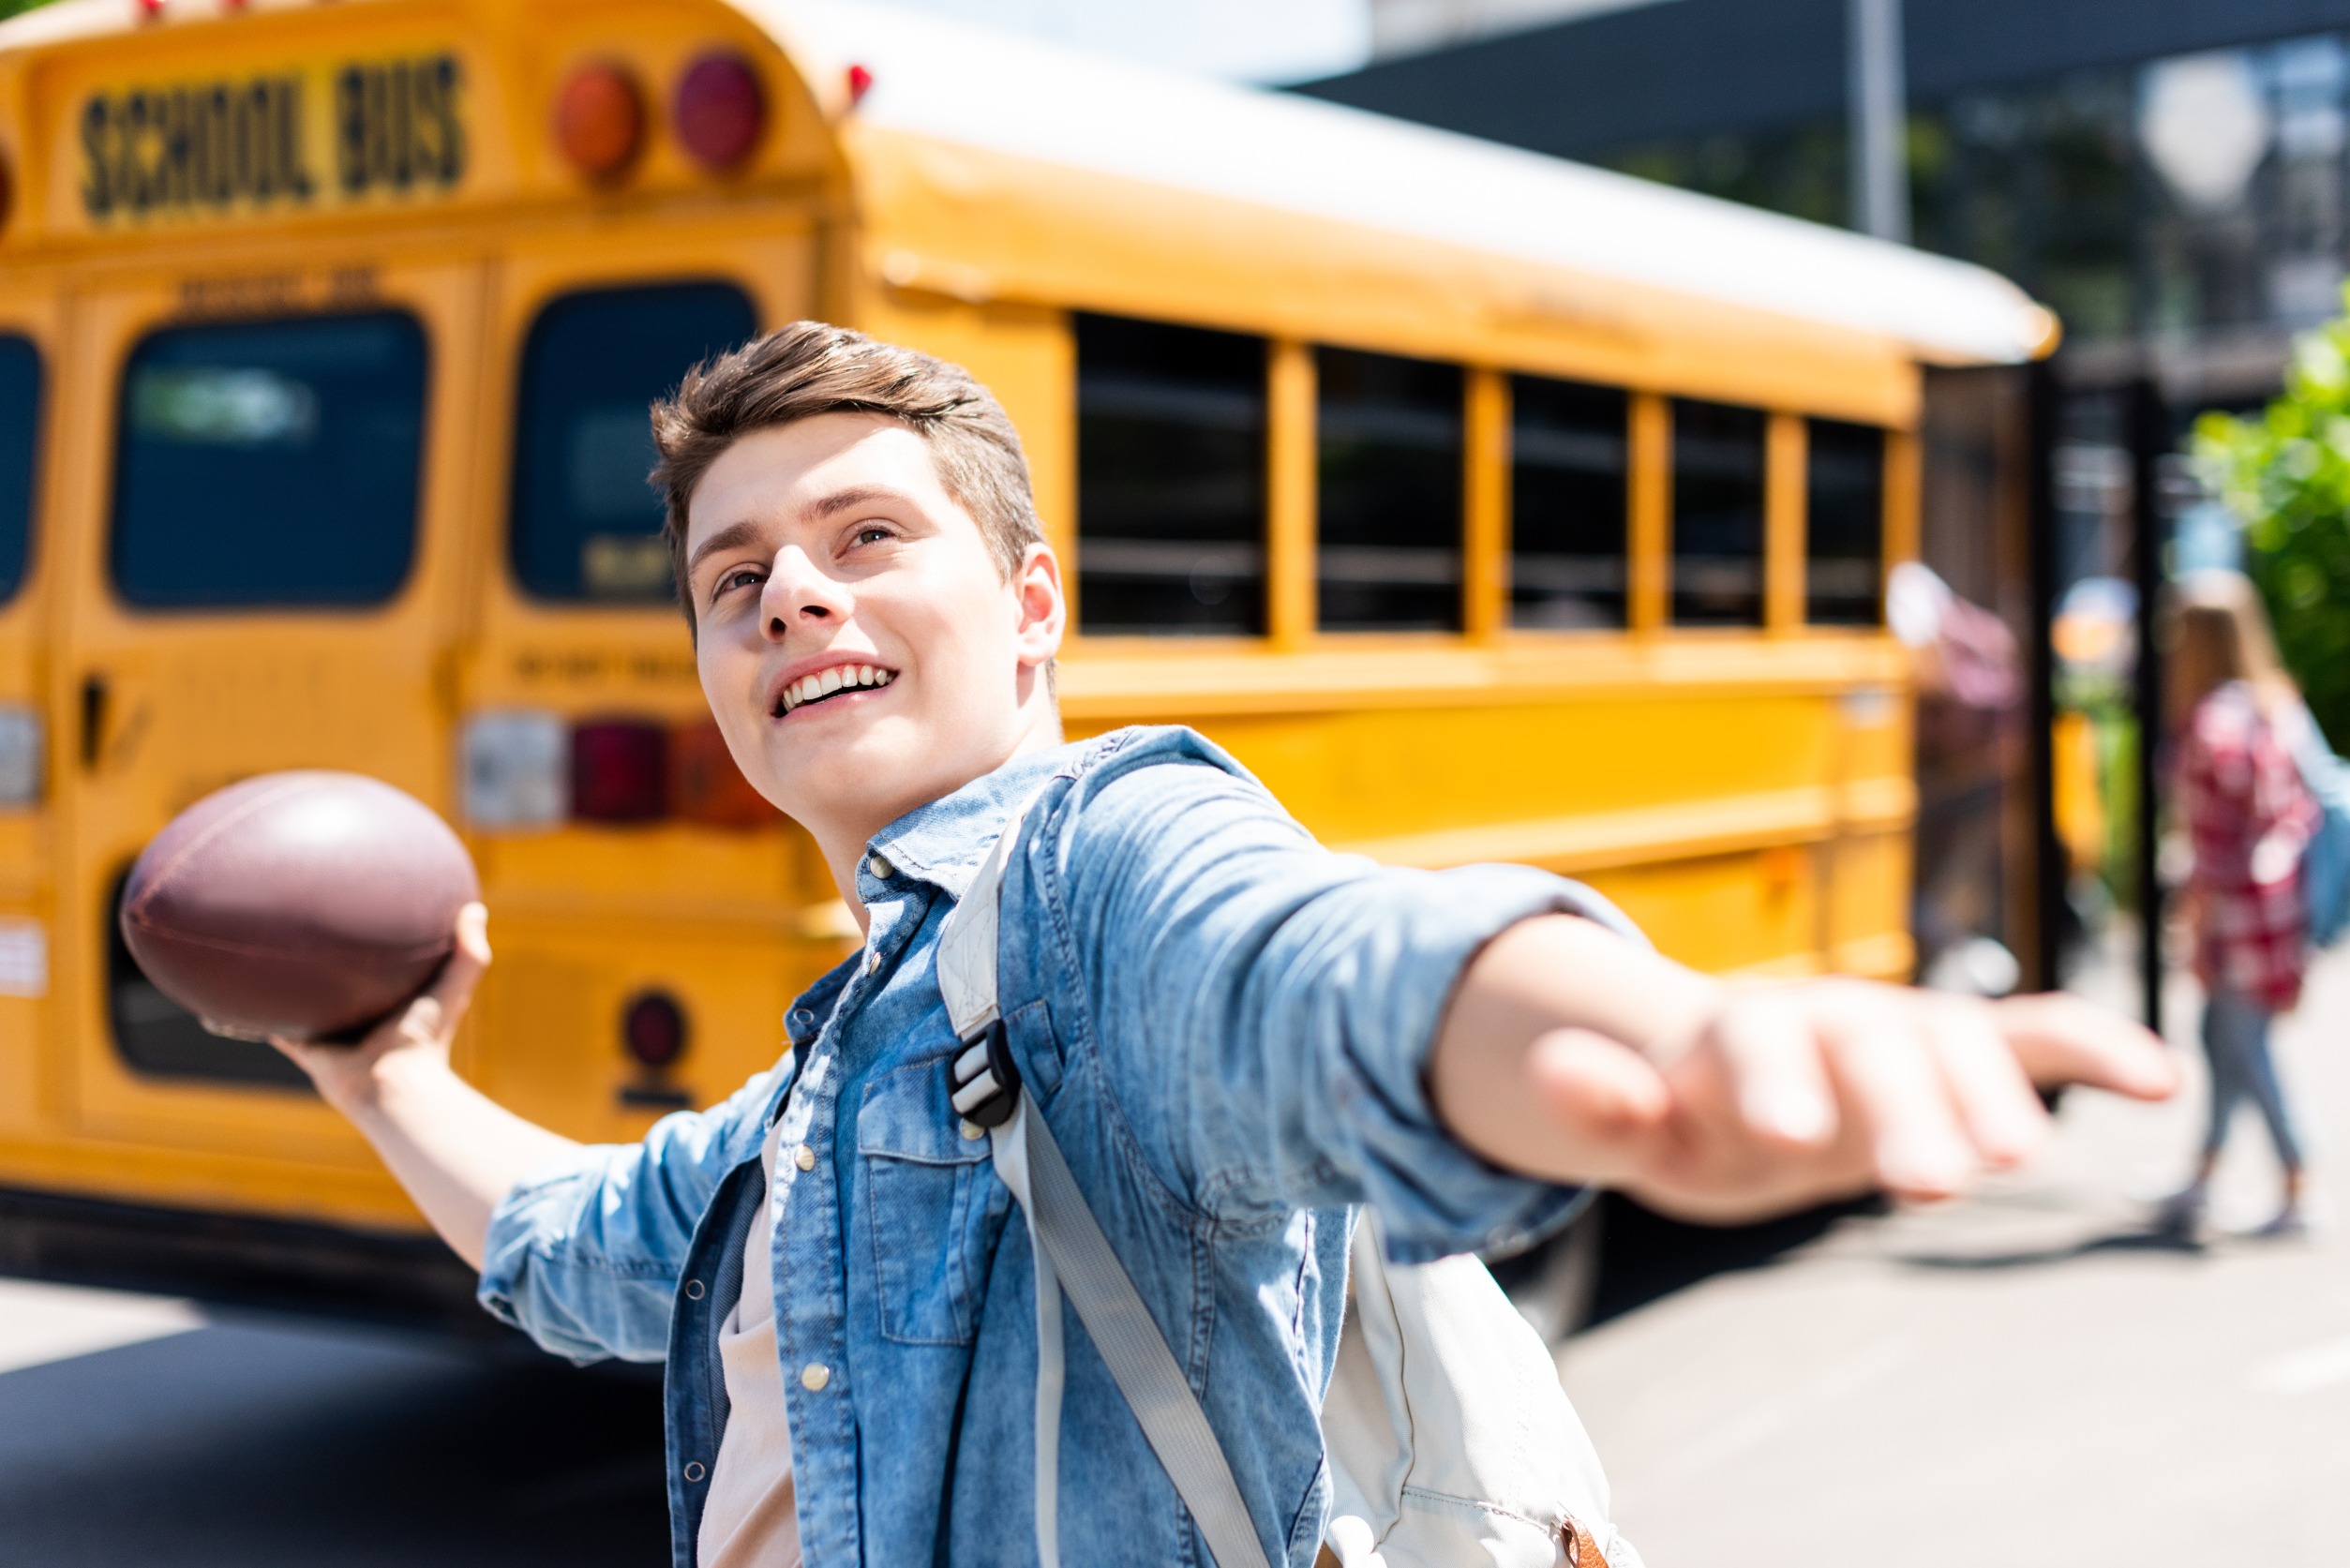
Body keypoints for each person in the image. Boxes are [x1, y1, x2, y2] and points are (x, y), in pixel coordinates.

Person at [273, 322, 2176, 1568]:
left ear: (1030, 610)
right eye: (733, 573)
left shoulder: (1099, 875)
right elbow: (578, 1238)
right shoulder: (837, 1071)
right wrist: (386, 1064)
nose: (791, 590)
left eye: (865, 532)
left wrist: (1634, 1029)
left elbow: (1307, 960)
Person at [2158, 570, 2322, 1240]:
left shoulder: (2211, 724)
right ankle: (2203, 1174)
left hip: (2235, 913)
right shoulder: (2270, 706)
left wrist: (2192, 928)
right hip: (2274, 904)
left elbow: (2213, 848)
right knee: (2224, 1041)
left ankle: (2295, 1179)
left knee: (2242, 1047)